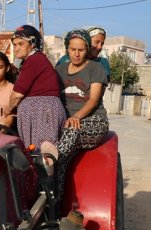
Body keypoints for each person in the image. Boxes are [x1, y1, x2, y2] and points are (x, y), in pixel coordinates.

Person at [44, 29, 109, 201]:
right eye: (73, 49)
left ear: (87, 49)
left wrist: (76, 117)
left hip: (92, 121)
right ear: (67, 49)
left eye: (81, 50)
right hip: (67, 124)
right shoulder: (59, 70)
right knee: (61, 160)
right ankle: (54, 206)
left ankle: (50, 161)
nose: (77, 54)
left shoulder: (96, 69)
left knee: (70, 135)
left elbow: (94, 100)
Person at [5, 25, 67, 149]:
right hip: (42, 111)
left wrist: (8, 111)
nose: (16, 48)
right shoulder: (34, 59)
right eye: (15, 45)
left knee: (42, 153)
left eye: (21, 44)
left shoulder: (34, 60)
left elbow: (17, 94)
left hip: (43, 112)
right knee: (37, 152)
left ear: (33, 43)